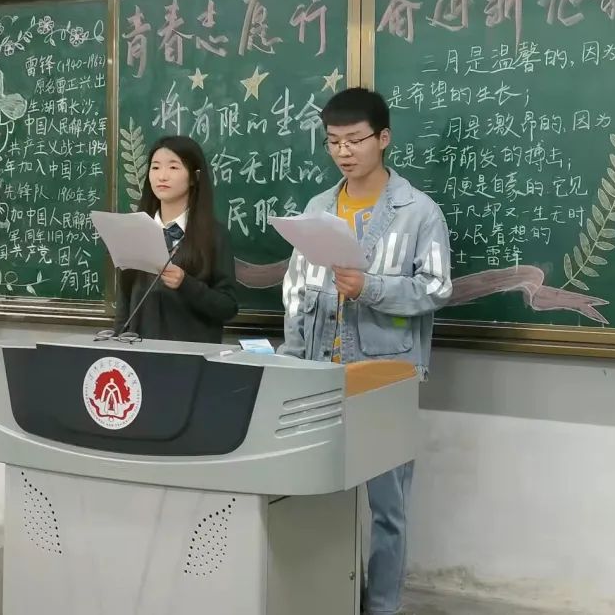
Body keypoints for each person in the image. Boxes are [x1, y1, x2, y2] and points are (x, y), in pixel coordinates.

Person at [279, 88, 453, 615]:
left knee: (387, 505)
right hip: (318, 370)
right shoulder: (319, 208)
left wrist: (370, 287)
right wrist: (291, 358)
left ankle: (381, 605)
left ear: (383, 138)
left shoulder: (418, 212)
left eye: (355, 140)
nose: (344, 152)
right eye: (333, 142)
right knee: (316, 496)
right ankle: (325, 597)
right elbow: (296, 289)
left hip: (383, 376)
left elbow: (437, 288)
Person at [114, 135, 239, 343]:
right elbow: (124, 302)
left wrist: (185, 284)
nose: (162, 176)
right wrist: (117, 346)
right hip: (138, 353)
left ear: (194, 177)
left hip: (190, 356)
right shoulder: (135, 232)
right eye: (155, 167)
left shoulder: (214, 235)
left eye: (173, 167)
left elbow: (228, 307)